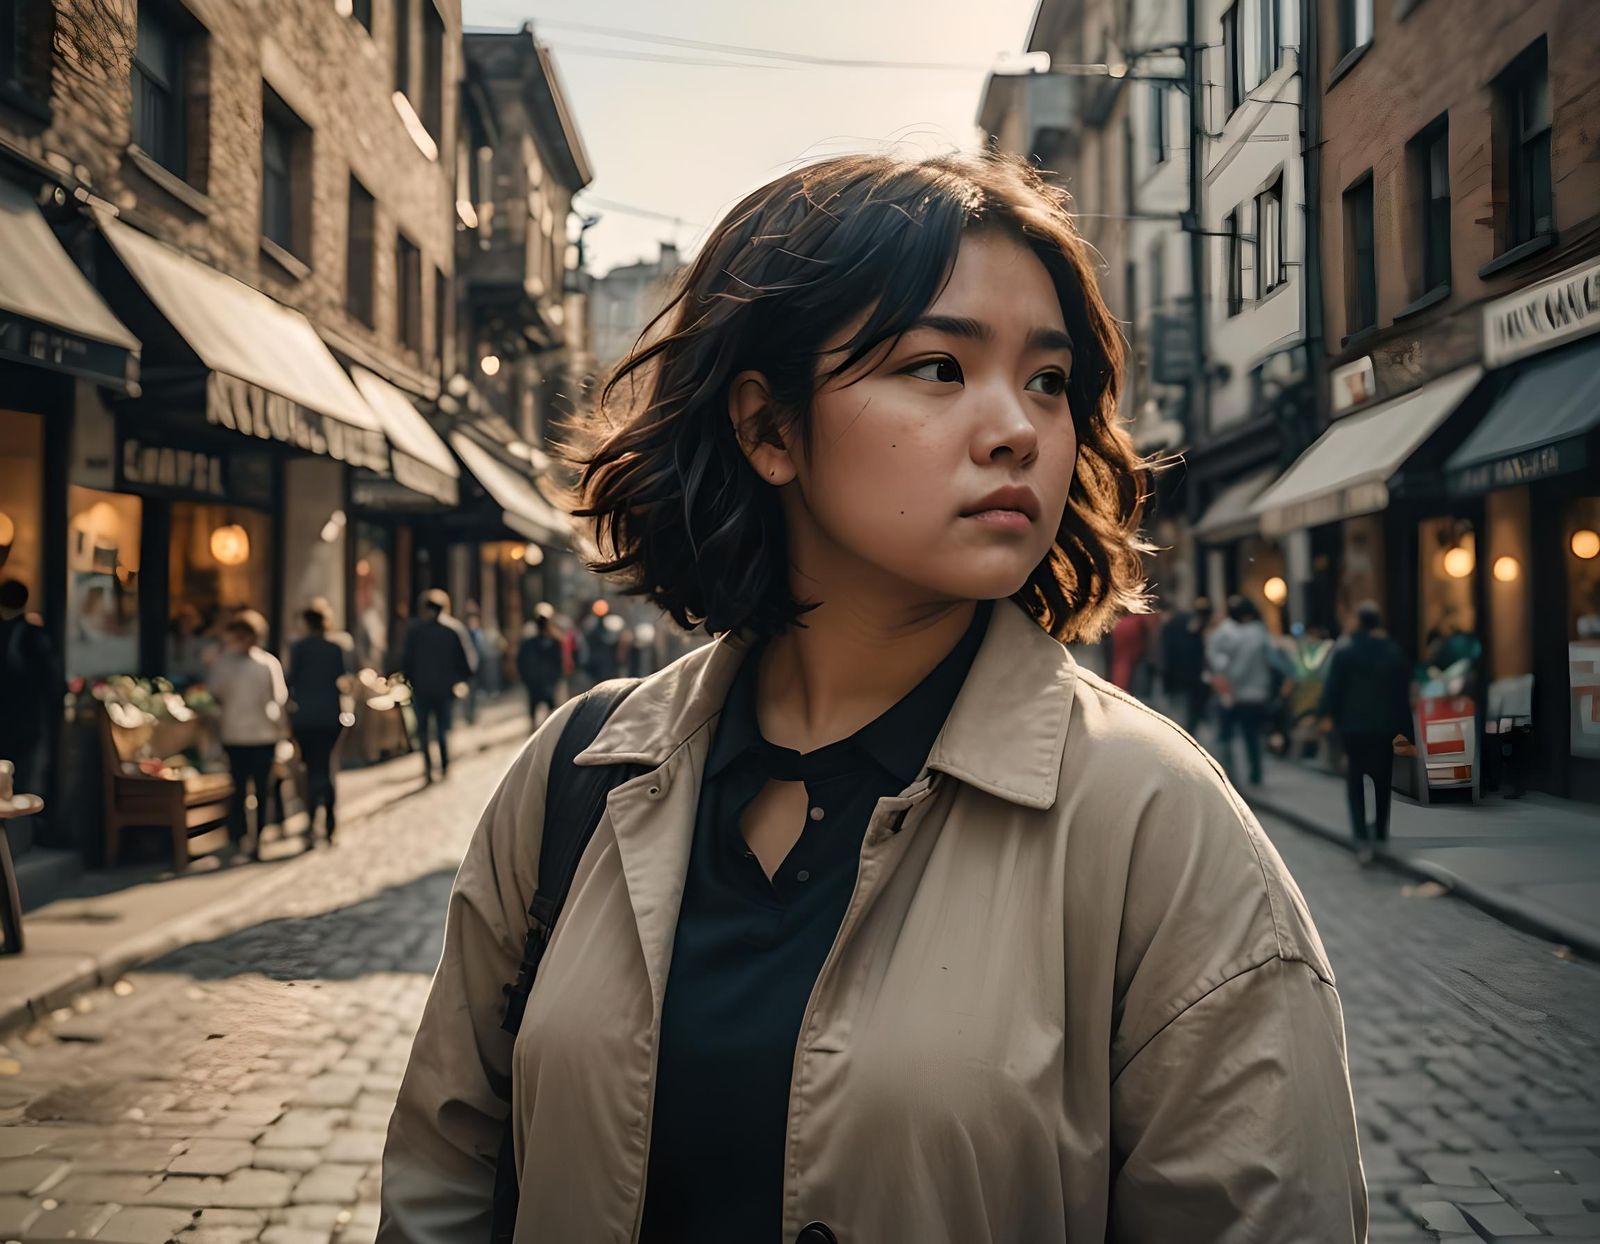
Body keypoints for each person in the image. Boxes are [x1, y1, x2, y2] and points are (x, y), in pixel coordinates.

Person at [380, 152, 1364, 1243]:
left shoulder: (1153, 818)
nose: (1018, 428)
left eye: (1047, 379)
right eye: (939, 366)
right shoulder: (580, 776)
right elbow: (443, 1179)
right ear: (768, 428)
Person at [1318, 601, 1416, 864]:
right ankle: (1381, 831)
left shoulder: (1346, 651)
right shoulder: (1392, 652)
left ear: (1359, 622)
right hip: (1383, 727)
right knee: (1383, 779)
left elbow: (1333, 688)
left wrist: (1325, 716)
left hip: (1354, 727)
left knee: (1355, 779)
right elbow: (1401, 693)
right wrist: (1407, 729)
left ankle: (1361, 834)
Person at [208, 611, 287, 859]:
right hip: (239, 735)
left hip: (260, 735)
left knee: (258, 789)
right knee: (243, 788)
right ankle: (243, 836)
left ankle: (255, 837)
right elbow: (213, 696)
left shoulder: (265, 663)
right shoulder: (225, 663)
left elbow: (278, 700)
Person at [286, 602, 354, 845]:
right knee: (327, 767)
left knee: (311, 768)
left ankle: (312, 821)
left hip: (305, 716)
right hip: (329, 715)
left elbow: (290, 680)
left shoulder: (299, 648)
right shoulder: (336, 647)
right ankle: (330, 823)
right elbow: (345, 678)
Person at [400, 589, 476, 783]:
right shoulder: (453, 629)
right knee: (442, 729)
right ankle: (444, 766)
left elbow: (406, 661)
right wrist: (457, 680)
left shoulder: (416, 631)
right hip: (445, 689)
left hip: (421, 688)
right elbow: (468, 663)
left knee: (424, 731)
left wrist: (410, 681)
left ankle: (428, 769)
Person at [1206, 594, 1276, 787]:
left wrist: (1226, 680)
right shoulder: (1258, 632)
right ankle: (1254, 773)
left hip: (1231, 693)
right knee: (1251, 736)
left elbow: (1216, 658)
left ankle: (1230, 776)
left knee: (1227, 734)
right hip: (1254, 693)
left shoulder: (1224, 632)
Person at [0, 579, 60, 803]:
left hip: (13, 717)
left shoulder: (19, 634)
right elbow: (48, 678)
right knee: (23, 784)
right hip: (26, 717)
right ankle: (22, 831)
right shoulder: (33, 634)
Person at [1160, 594, 1211, 734]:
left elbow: (1167, 654)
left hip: (1180, 677)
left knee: (1182, 716)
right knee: (1188, 716)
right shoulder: (1189, 626)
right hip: (1190, 677)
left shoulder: (1173, 625)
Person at [515, 615, 564, 728]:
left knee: (549, 707)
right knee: (539, 707)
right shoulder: (531, 644)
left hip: (545, 681)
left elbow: (559, 662)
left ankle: (548, 729)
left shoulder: (554, 643)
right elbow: (522, 662)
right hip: (537, 682)